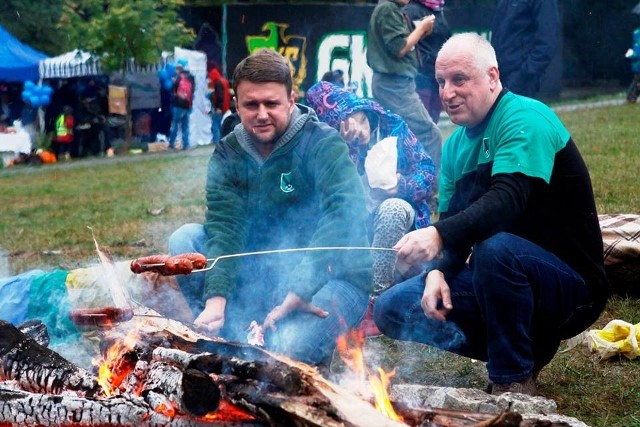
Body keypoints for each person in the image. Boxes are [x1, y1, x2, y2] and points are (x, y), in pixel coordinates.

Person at [373, 33, 610, 396]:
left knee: (494, 249)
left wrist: (436, 234)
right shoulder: (453, 147)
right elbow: (457, 225)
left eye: (459, 80)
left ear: (493, 77)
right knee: (393, 307)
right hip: (499, 275)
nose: (447, 93)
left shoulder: (525, 117)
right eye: (440, 82)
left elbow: (507, 200)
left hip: (571, 286)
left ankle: (512, 381)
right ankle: (525, 344)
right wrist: (439, 269)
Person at [167, 49, 372, 368]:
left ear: (291, 99)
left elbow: (344, 214)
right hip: (263, 279)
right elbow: (225, 228)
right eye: (251, 104)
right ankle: (230, 334)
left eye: (271, 103)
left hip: (334, 276)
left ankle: (298, 347)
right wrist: (215, 300)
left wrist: (302, 286)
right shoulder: (228, 154)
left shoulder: (322, 144)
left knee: (283, 355)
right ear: (237, 104)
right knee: (186, 241)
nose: (261, 114)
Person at [305, 80, 437, 335]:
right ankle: (352, 292)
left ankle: (375, 302)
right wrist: (345, 148)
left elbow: (428, 172)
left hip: (400, 229)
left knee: (393, 209)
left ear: (366, 110)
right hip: (357, 233)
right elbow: (333, 196)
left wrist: (402, 184)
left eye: (362, 121)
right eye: (352, 127)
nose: (362, 132)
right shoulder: (329, 145)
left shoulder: (394, 127)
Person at [367, 0, 443, 173]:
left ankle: (406, 185)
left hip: (393, 83)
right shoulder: (388, 9)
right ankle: (430, 190)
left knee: (395, 137)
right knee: (430, 134)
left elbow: (401, 44)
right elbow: (399, 48)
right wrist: (421, 28)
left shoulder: (392, 9)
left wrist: (420, 32)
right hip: (394, 84)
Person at [490, 0, 560, 99]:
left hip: (522, 79)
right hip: (500, 76)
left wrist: (523, 76)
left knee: (518, 113)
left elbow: (547, 42)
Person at [404, 0, 451, 124]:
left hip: (437, 74)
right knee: (421, 123)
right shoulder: (412, 10)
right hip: (420, 75)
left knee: (433, 121)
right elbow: (407, 44)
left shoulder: (437, 9)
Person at [168, 59, 195, 151]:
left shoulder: (178, 77)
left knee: (175, 125)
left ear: (180, 68)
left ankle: (171, 145)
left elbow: (173, 90)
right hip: (187, 105)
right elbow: (193, 92)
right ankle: (186, 145)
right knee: (185, 126)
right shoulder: (191, 77)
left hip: (178, 105)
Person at [207, 67, 231, 144]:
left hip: (220, 108)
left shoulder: (218, 83)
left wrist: (219, 107)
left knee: (215, 125)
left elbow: (220, 96)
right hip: (225, 106)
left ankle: (216, 141)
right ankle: (220, 140)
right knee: (219, 124)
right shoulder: (224, 81)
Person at [625, 27, 640, 103]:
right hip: (638, 65)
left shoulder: (636, 36)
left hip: (637, 64)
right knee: (637, 82)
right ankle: (631, 97)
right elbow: (637, 53)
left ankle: (632, 97)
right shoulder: (638, 40)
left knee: (637, 82)